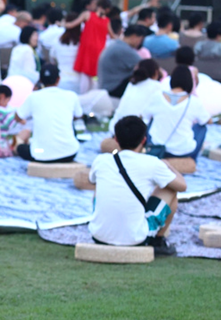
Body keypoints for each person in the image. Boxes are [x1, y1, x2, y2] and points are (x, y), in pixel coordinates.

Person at [89, 115, 186, 255]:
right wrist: (169, 166)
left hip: (99, 236)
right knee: (170, 190)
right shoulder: (152, 163)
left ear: (116, 139)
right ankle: (158, 241)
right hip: (135, 239)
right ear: (144, 140)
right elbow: (182, 186)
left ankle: (106, 223)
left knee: (99, 185)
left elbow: (92, 180)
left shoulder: (101, 160)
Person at [14, 63, 83, 163]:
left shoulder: (33, 97)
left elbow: (18, 117)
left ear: (40, 80)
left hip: (40, 153)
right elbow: (78, 115)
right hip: (69, 152)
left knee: (20, 147)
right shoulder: (71, 96)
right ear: (58, 79)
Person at [143, 66, 210, 161]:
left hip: (155, 146)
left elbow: (144, 116)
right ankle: (192, 160)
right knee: (202, 127)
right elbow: (207, 121)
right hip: (183, 151)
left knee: (150, 120)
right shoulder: (194, 101)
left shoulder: (157, 96)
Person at [69, 0, 112, 93]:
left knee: (85, 75)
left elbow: (72, 24)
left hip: (87, 48)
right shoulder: (107, 21)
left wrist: (62, 24)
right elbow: (112, 35)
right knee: (94, 77)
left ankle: (83, 98)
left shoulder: (88, 15)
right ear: (108, 9)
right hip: (99, 50)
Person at [108, 59, 161, 135]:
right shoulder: (157, 86)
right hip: (136, 132)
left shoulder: (132, 84)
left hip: (115, 128)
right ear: (156, 72)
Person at [97, 24, 146, 98]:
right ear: (134, 36)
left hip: (104, 85)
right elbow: (147, 66)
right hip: (112, 88)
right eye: (140, 40)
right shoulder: (124, 49)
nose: (140, 43)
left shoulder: (116, 44)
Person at [48, 13, 81, 93]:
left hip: (61, 81)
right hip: (79, 82)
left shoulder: (57, 40)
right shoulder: (83, 42)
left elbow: (52, 58)